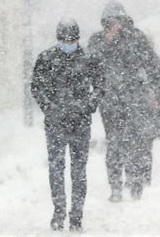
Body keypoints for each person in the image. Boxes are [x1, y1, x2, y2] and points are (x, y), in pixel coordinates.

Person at [31, 18, 104, 232]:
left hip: (80, 122)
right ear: (58, 39)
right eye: (64, 39)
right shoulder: (46, 58)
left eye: (72, 39)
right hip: (55, 123)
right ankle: (59, 211)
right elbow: (36, 87)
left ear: (77, 39)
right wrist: (50, 108)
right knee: (56, 168)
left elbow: (100, 86)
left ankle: (77, 215)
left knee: (79, 170)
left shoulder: (89, 58)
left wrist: (89, 105)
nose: (68, 42)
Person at [88, 1, 160, 202]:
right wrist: (105, 44)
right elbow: (89, 66)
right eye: (111, 22)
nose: (115, 25)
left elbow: (155, 67)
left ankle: (135, 182)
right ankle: (115, 186)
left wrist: (154, 93)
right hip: (110, 104)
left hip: (135, 102)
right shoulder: (97, 40)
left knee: (135, 144)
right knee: (114, 144)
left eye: (118, 21)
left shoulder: (136, 38)